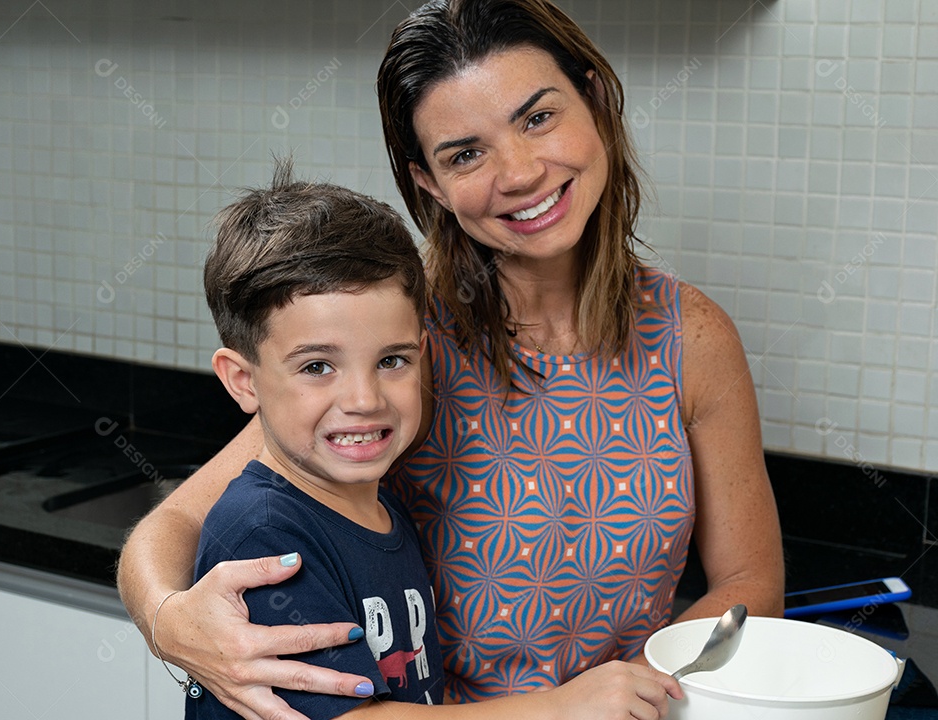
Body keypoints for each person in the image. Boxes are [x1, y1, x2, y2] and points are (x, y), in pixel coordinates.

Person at [118, 1, 784, 718]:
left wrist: (627, 693)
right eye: (465, 154)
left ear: (595, 101)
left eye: (538, 118)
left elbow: (749, 582)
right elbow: (176, 526)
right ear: (429, 182)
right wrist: (169, 621)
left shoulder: (691, 337)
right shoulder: (399, 345)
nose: (520, 172)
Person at [183, 159, 680, 720]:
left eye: (392, 360)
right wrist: (557, 708)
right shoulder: (268, 537)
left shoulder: (382, 509)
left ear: (422, 353)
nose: (364, 399)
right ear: (242, 380)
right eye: (318, 366)